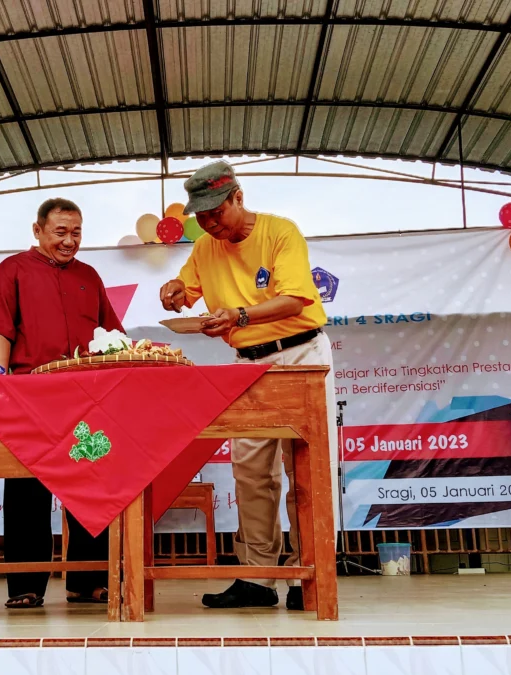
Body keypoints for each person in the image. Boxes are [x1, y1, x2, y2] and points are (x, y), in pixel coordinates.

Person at [159, 160, 336, 611]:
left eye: (217, 213)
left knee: (306, 470)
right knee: (252, 471)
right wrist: (175, 289)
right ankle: (260, 576)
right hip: (248, 363)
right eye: (201, 217)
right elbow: (189, 288)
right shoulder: (206, 246)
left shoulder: (280, 232)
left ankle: (308, 573)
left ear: (239, 197)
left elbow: (296, 297)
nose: (210, 224)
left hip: (299, 355)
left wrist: (238, 315)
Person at [0, 197, 123, 609]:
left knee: (92, 487)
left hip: (85, 398)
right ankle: (25, 584)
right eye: (60, 232)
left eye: (76, 232)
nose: (69, 241)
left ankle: (87, 581)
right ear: (37, 231)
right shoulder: (12, 270)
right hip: (30, 396)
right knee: (26, 490)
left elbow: (111, 336)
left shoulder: (89, 276)